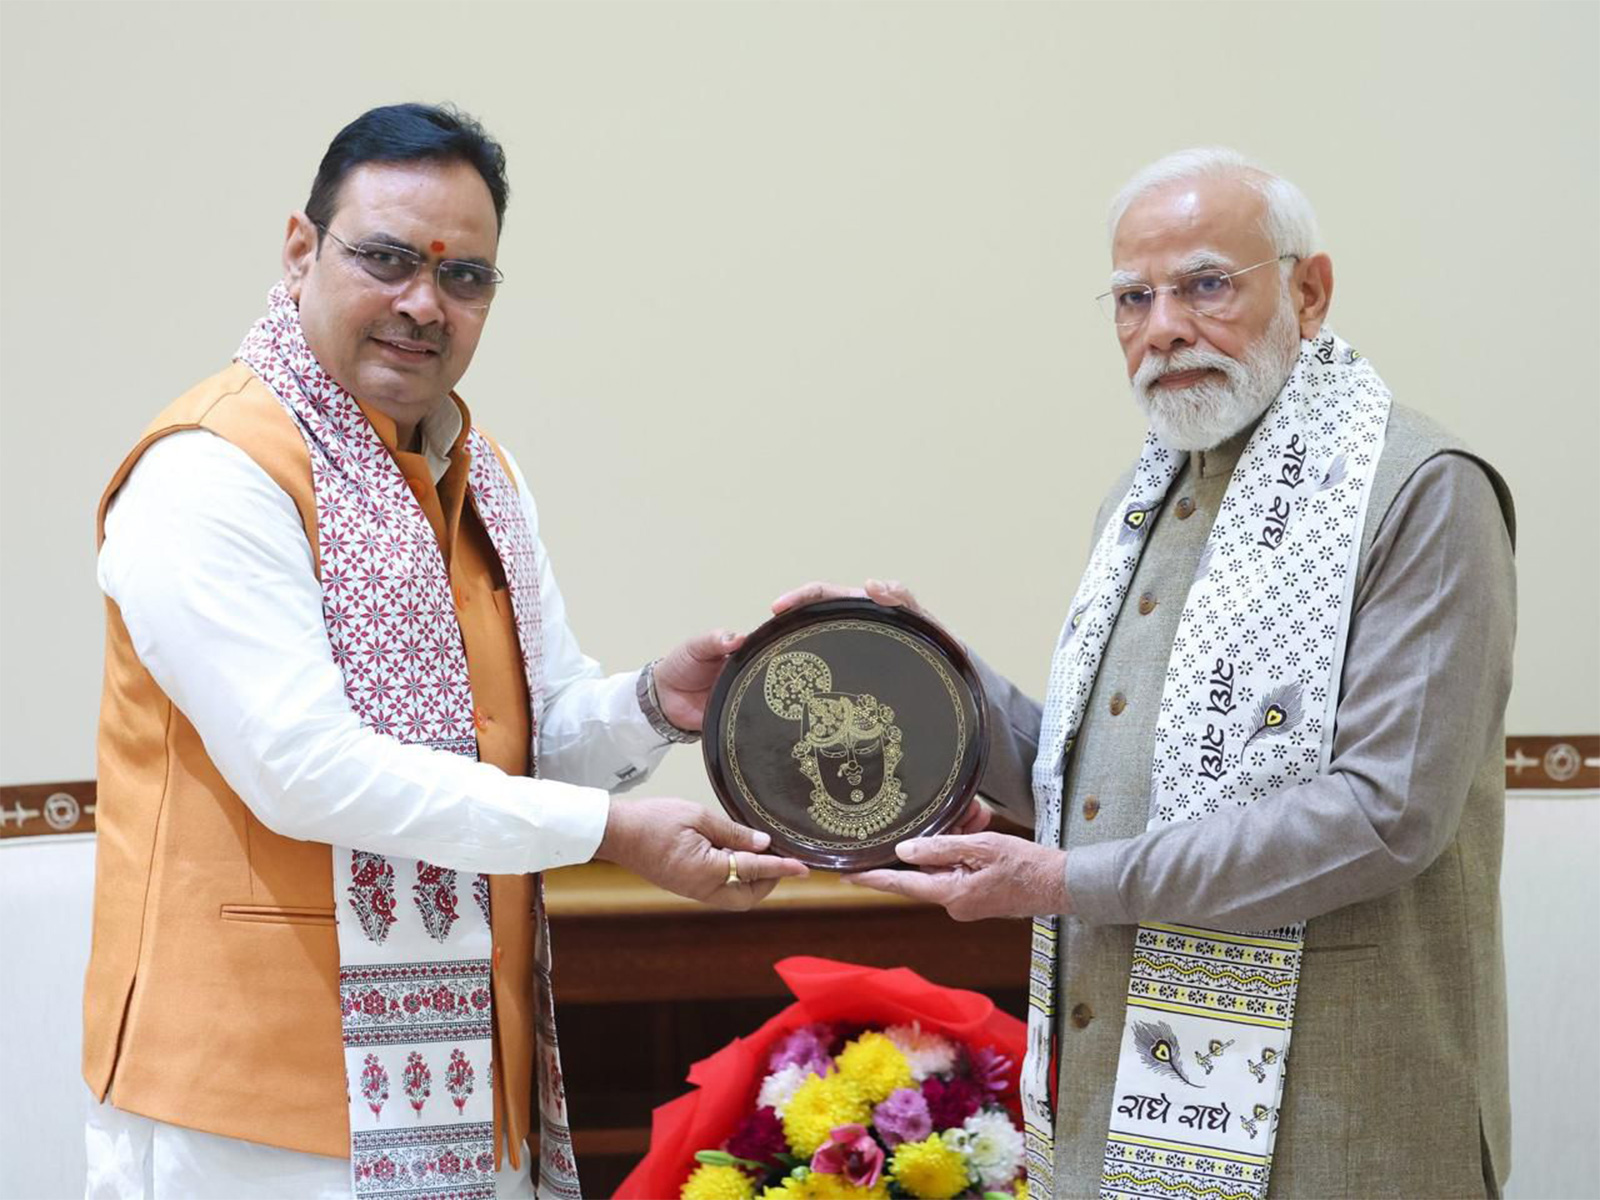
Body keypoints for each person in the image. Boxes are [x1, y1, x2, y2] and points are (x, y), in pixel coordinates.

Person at [82, 103, 807, 1200]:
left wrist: (654, 704)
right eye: (385, 259)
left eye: (464, 276)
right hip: (247, 1105)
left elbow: (530, 740)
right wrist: (613, 832)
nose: (423, 304)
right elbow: (304, 770)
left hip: (469, 1077)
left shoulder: (479, 470)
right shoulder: (212, 470)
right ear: (297, 251)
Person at [778, 147, 1515, 1197]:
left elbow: (1382, 813)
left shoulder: (1421, 493)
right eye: (1133, 298)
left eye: (1205, 284)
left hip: (1340, 1122)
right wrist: (932, 673)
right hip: (1117, 1111)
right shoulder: (1143, 501)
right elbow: (1092, 781)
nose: (1162, 327)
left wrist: (1071, 883)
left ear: (1308, 292)